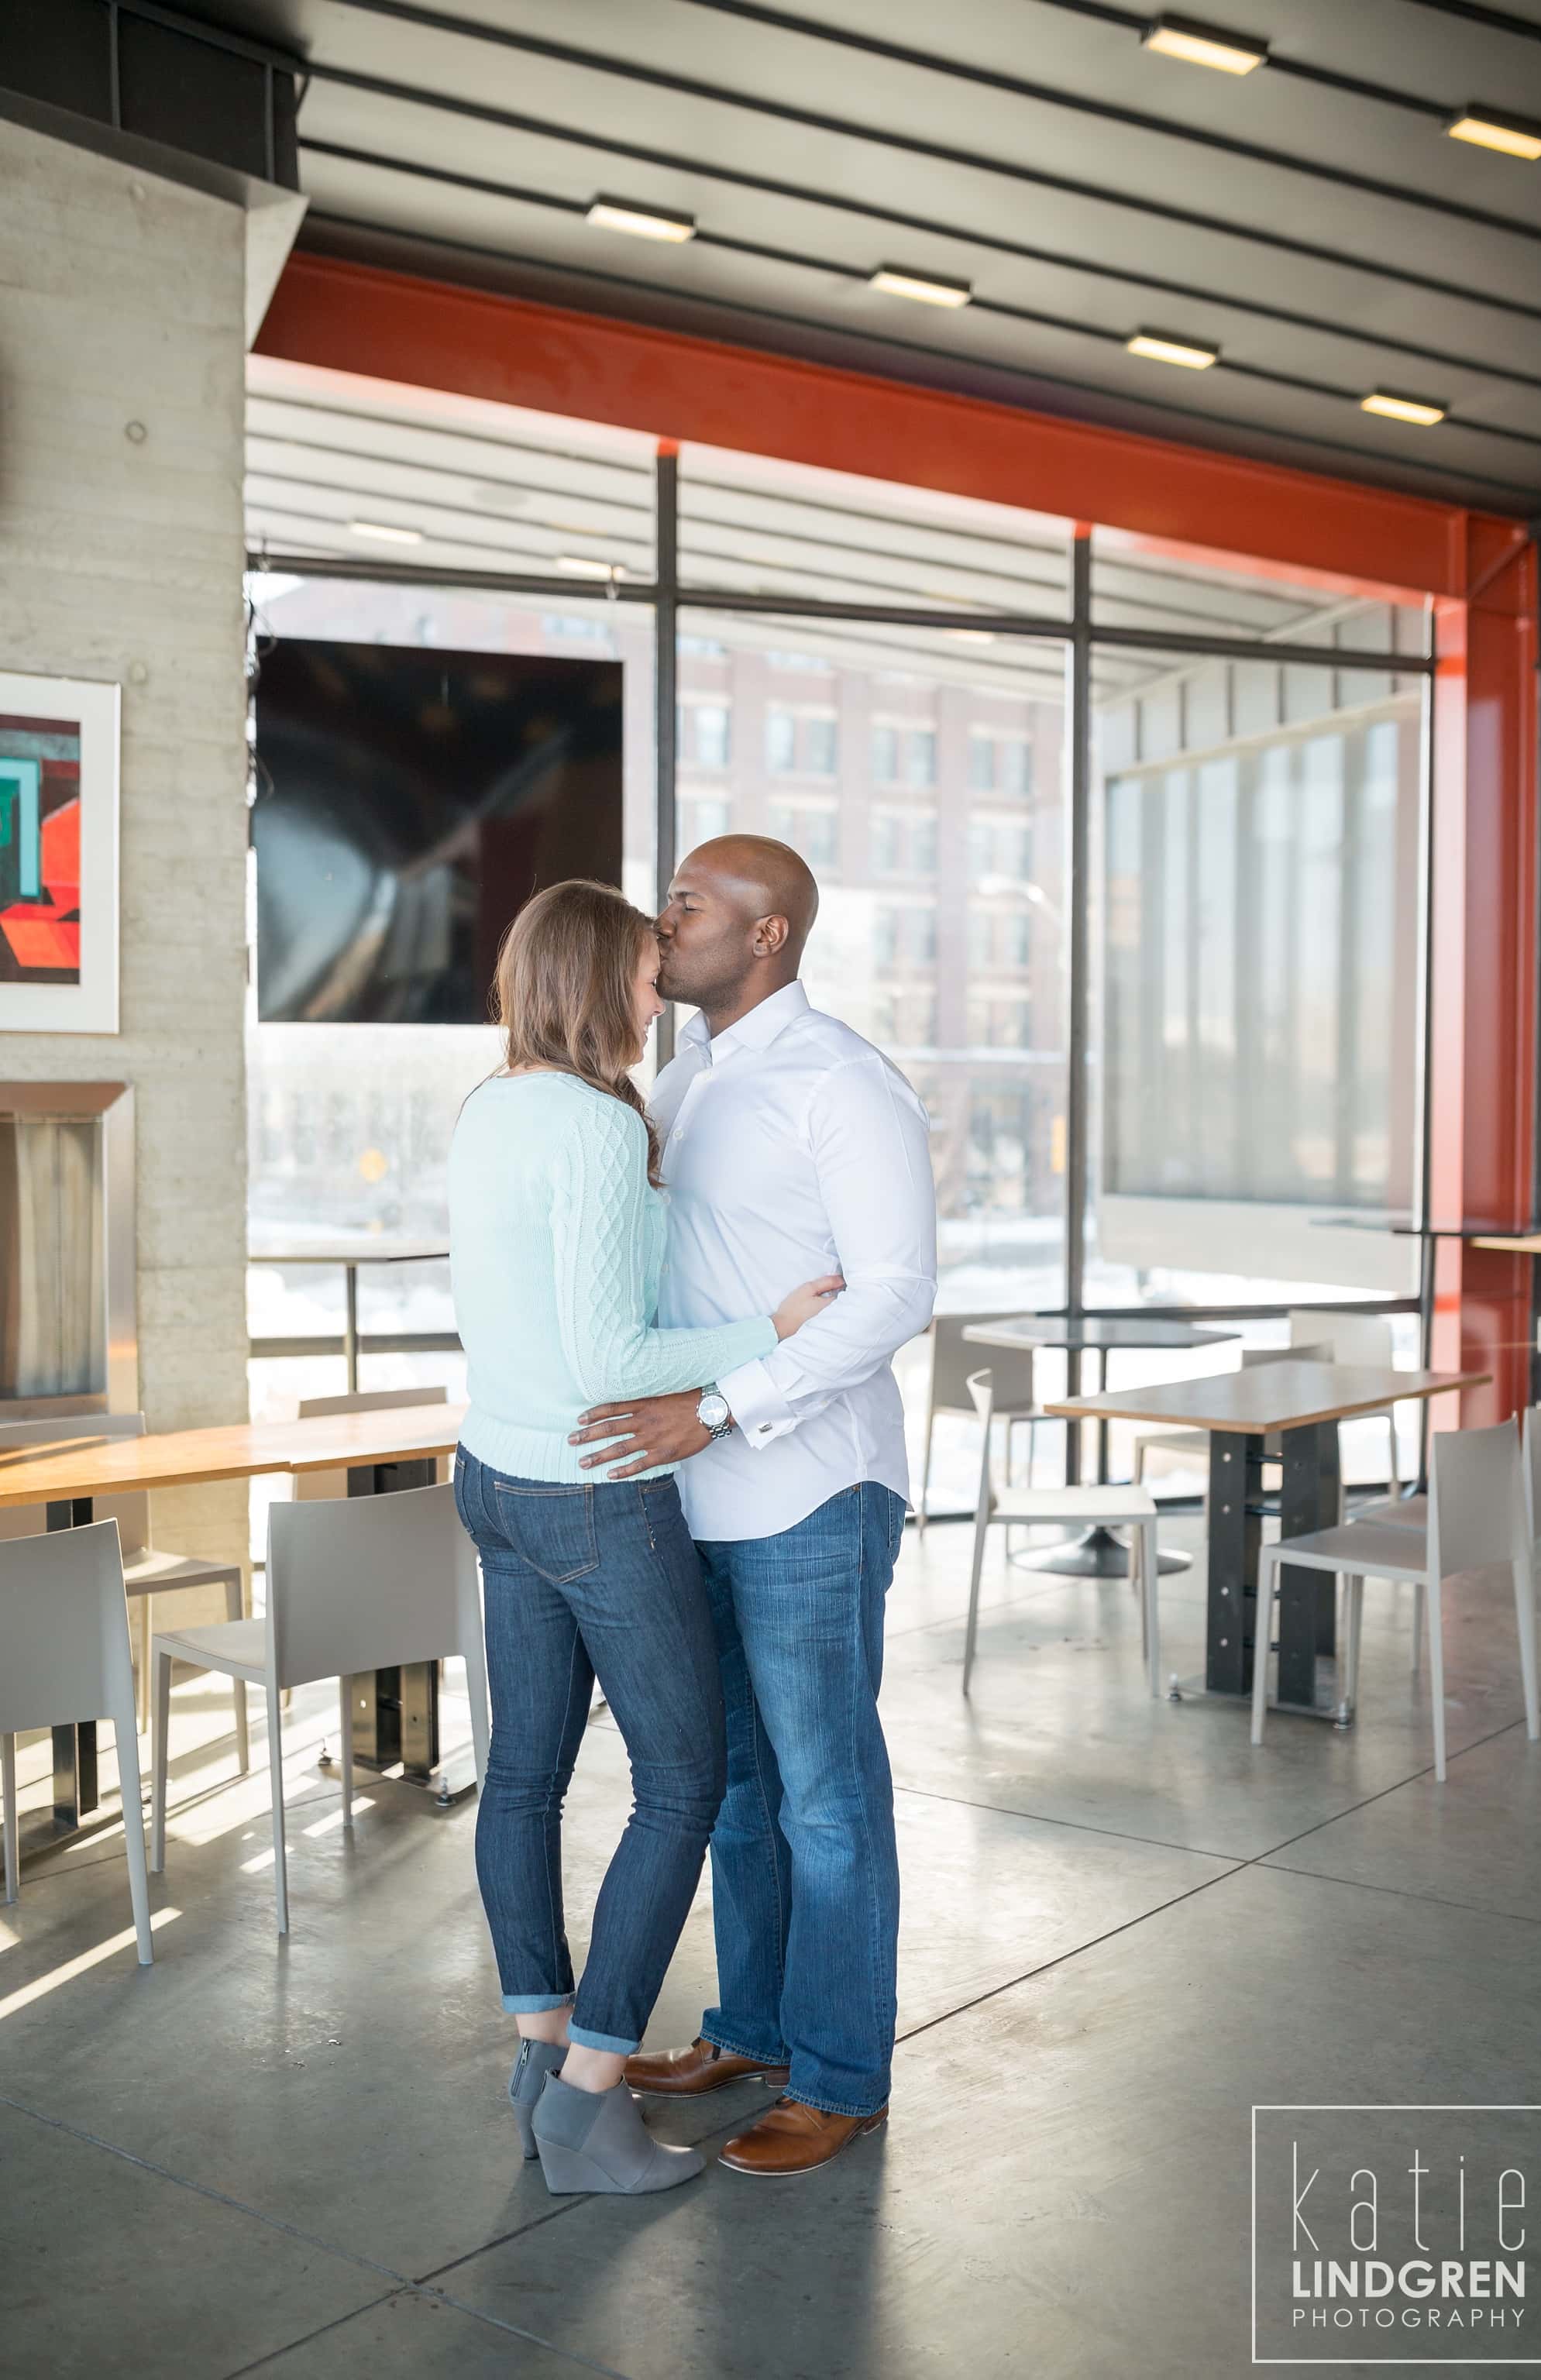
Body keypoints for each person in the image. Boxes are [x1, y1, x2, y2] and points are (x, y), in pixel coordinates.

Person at [447, 878, 840, 2198]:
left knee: (522, 1780)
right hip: (593, 1490)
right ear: (591, 982)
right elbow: (612, 1356)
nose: (653, 987)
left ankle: (539, 2055)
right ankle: (592, 2104)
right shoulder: (596, 1129)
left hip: (494, 1480)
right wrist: (770, 1335)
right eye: (638, 968)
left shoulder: (491, 1106)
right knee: (683, 1781)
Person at [569, 836, 937, 2177]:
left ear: (767, 934)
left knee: (827, 1799)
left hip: (808, 1488)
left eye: (685, 906)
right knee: (731, 1787)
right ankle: (756, 2029)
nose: (659, 927)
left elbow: (895, 1292)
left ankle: (840, 2079)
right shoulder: (680, 1078)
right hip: (689, 1491)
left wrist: (722, 1405)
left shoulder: (842, 1081)